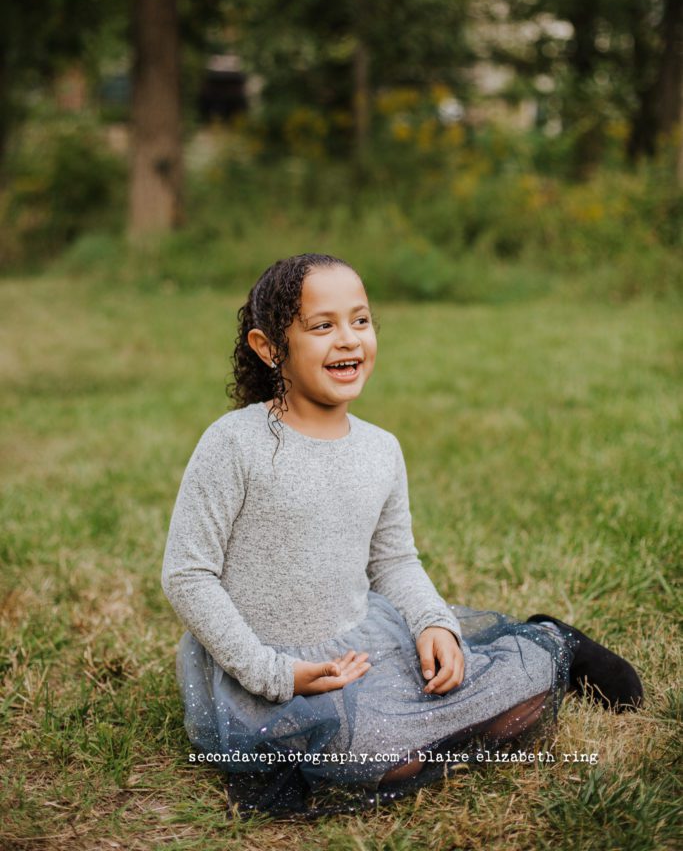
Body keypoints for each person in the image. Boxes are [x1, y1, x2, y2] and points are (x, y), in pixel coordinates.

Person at [161, 253, 643, 820]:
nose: (348, 340)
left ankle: (552, 641)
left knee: (517, 699)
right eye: (322, 326)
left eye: (360, 321)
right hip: (264, 661)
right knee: (371, 762)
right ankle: (408, 735)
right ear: (270, 348)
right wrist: (273, 673)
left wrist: (432, 621)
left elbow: (393, 561)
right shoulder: (234, 444)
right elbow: (187, 575)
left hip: (358, 649)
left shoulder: (379, 449)